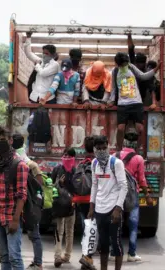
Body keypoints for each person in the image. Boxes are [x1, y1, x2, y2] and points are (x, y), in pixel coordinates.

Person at [0, 126, 28, 270]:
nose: (0, 143)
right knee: (4, 258)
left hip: (12, 216)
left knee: (14, 257)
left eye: (3, 140)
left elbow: (22, 195)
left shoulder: (19, 164)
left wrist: (15, 220)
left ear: (10, 140)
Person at [110, 133, 153, 263]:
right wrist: (147, 195)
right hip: (132, 194)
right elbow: (142, 179)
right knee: (133, 224)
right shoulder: (138, 159)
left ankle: (114, 252)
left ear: (123, 142)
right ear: (136, 144)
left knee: (116, 222)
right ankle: (131, 254)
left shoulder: (114, 156)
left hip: (116, 193)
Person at [88, 135, 128, 270]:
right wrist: (91, 207)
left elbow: (124, 186)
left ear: (108, 146)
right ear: (94, 149)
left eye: (104, 148)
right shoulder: (94, 163)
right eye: (98, 149)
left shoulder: (116, 163)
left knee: (116, 244)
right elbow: (94, 185)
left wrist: (118, 208)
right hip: (99, 209)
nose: (101, 151)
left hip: (113, 210)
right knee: (103, 244)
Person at [111, 52, 160, 150]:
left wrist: (157, 68)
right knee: (120, 129)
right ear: (118, 64)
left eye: (125, 63)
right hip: (122, 104)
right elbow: (113, 88)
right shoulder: (115, 71)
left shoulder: (131, 67)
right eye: (122, 64)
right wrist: (111, 101)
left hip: (136, 103)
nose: (124, 65)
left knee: (140, 129)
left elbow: (143, 76)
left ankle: (137, 151)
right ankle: (119, 150)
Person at [12, 134, 43, 270]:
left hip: (26, 204)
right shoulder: (31, 164)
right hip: (25, 204)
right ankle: (37, 262)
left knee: (32, 235)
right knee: (30, 235)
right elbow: (40, 187)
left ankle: (38, 262)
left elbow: (38, 187)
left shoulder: (24, 163)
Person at [51, 148, 77, 268]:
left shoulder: (75, 170)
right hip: (63, 204)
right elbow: (51, 186)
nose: (66, 158)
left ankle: (66, 256)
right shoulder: (60, 169)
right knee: (61, 231)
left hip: (69, 204)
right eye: (64, 155)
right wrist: (59, 184)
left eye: (68, 156)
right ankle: (58, 256)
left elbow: (77, 186)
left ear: (73, 157)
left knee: (68, 231)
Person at [24, 32, 60, 104]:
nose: (44, 55)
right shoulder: (41, 62)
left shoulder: (55, 65)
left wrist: (37, 65)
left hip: (48, 99)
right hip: (34, 97)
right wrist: (28, 37)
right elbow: (28, 53)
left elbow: (43, 73)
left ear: (52, 55)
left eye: (46, 53)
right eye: (43, 53)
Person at [77, 137, 96, 270]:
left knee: (86, 228)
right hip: (93, 201)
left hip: (81, 200)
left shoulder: (81, 163)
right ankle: (87, 257)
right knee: (93, 230)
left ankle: (86, 256)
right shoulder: (97, 163)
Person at [127, 34, 160, 108]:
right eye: (136, 63)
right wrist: (129, 36)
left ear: (144, 63)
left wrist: (154, 103)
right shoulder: (133, 65)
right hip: (129, 96)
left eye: (139, 64)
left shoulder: (146, 72)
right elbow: (131, 50)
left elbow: (152, 89)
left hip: (141, 96)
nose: (137, 65)